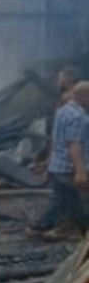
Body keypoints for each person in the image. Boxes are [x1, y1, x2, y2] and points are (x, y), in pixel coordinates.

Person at [28, 80, 89, 239]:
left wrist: (50, 159)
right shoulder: (78, 117)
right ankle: (76, 229)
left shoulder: (63, 111)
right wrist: (81, 171)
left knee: (59, 200)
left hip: (58, 166)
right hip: (70, 168)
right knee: (78, 202)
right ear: (85, 97)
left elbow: (56, 140)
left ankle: (40, 226)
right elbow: (74, 145)